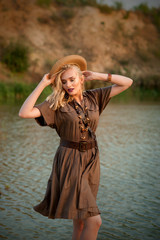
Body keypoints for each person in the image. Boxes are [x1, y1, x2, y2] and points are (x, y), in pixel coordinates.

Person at [19, 55, 133, 240]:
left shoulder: (95, 96)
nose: (68, 85)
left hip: (91, 160)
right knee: (95, 221)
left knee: (81, 220)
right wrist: (42, 84)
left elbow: (127, 82)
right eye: (64, 82)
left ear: (81, 78)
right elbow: (24, 112)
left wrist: (98, 75)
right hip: (69, 161)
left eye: (72, 79)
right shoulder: (56, 104)